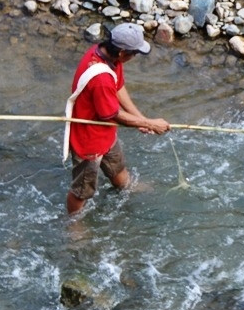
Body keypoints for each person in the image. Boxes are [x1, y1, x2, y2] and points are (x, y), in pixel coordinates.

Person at [63, 23, 170, 214]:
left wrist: (141, 119)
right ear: (122, 52)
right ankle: (72, 222)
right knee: (82, 191)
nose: (135, 57)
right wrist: (150, 123)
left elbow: (118, 87)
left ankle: (125, 186)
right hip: (89, 141)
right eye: (134, 53)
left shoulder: (109, 58)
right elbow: (111, 114)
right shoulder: (101, 79)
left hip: (105, 132)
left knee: (117, 167)